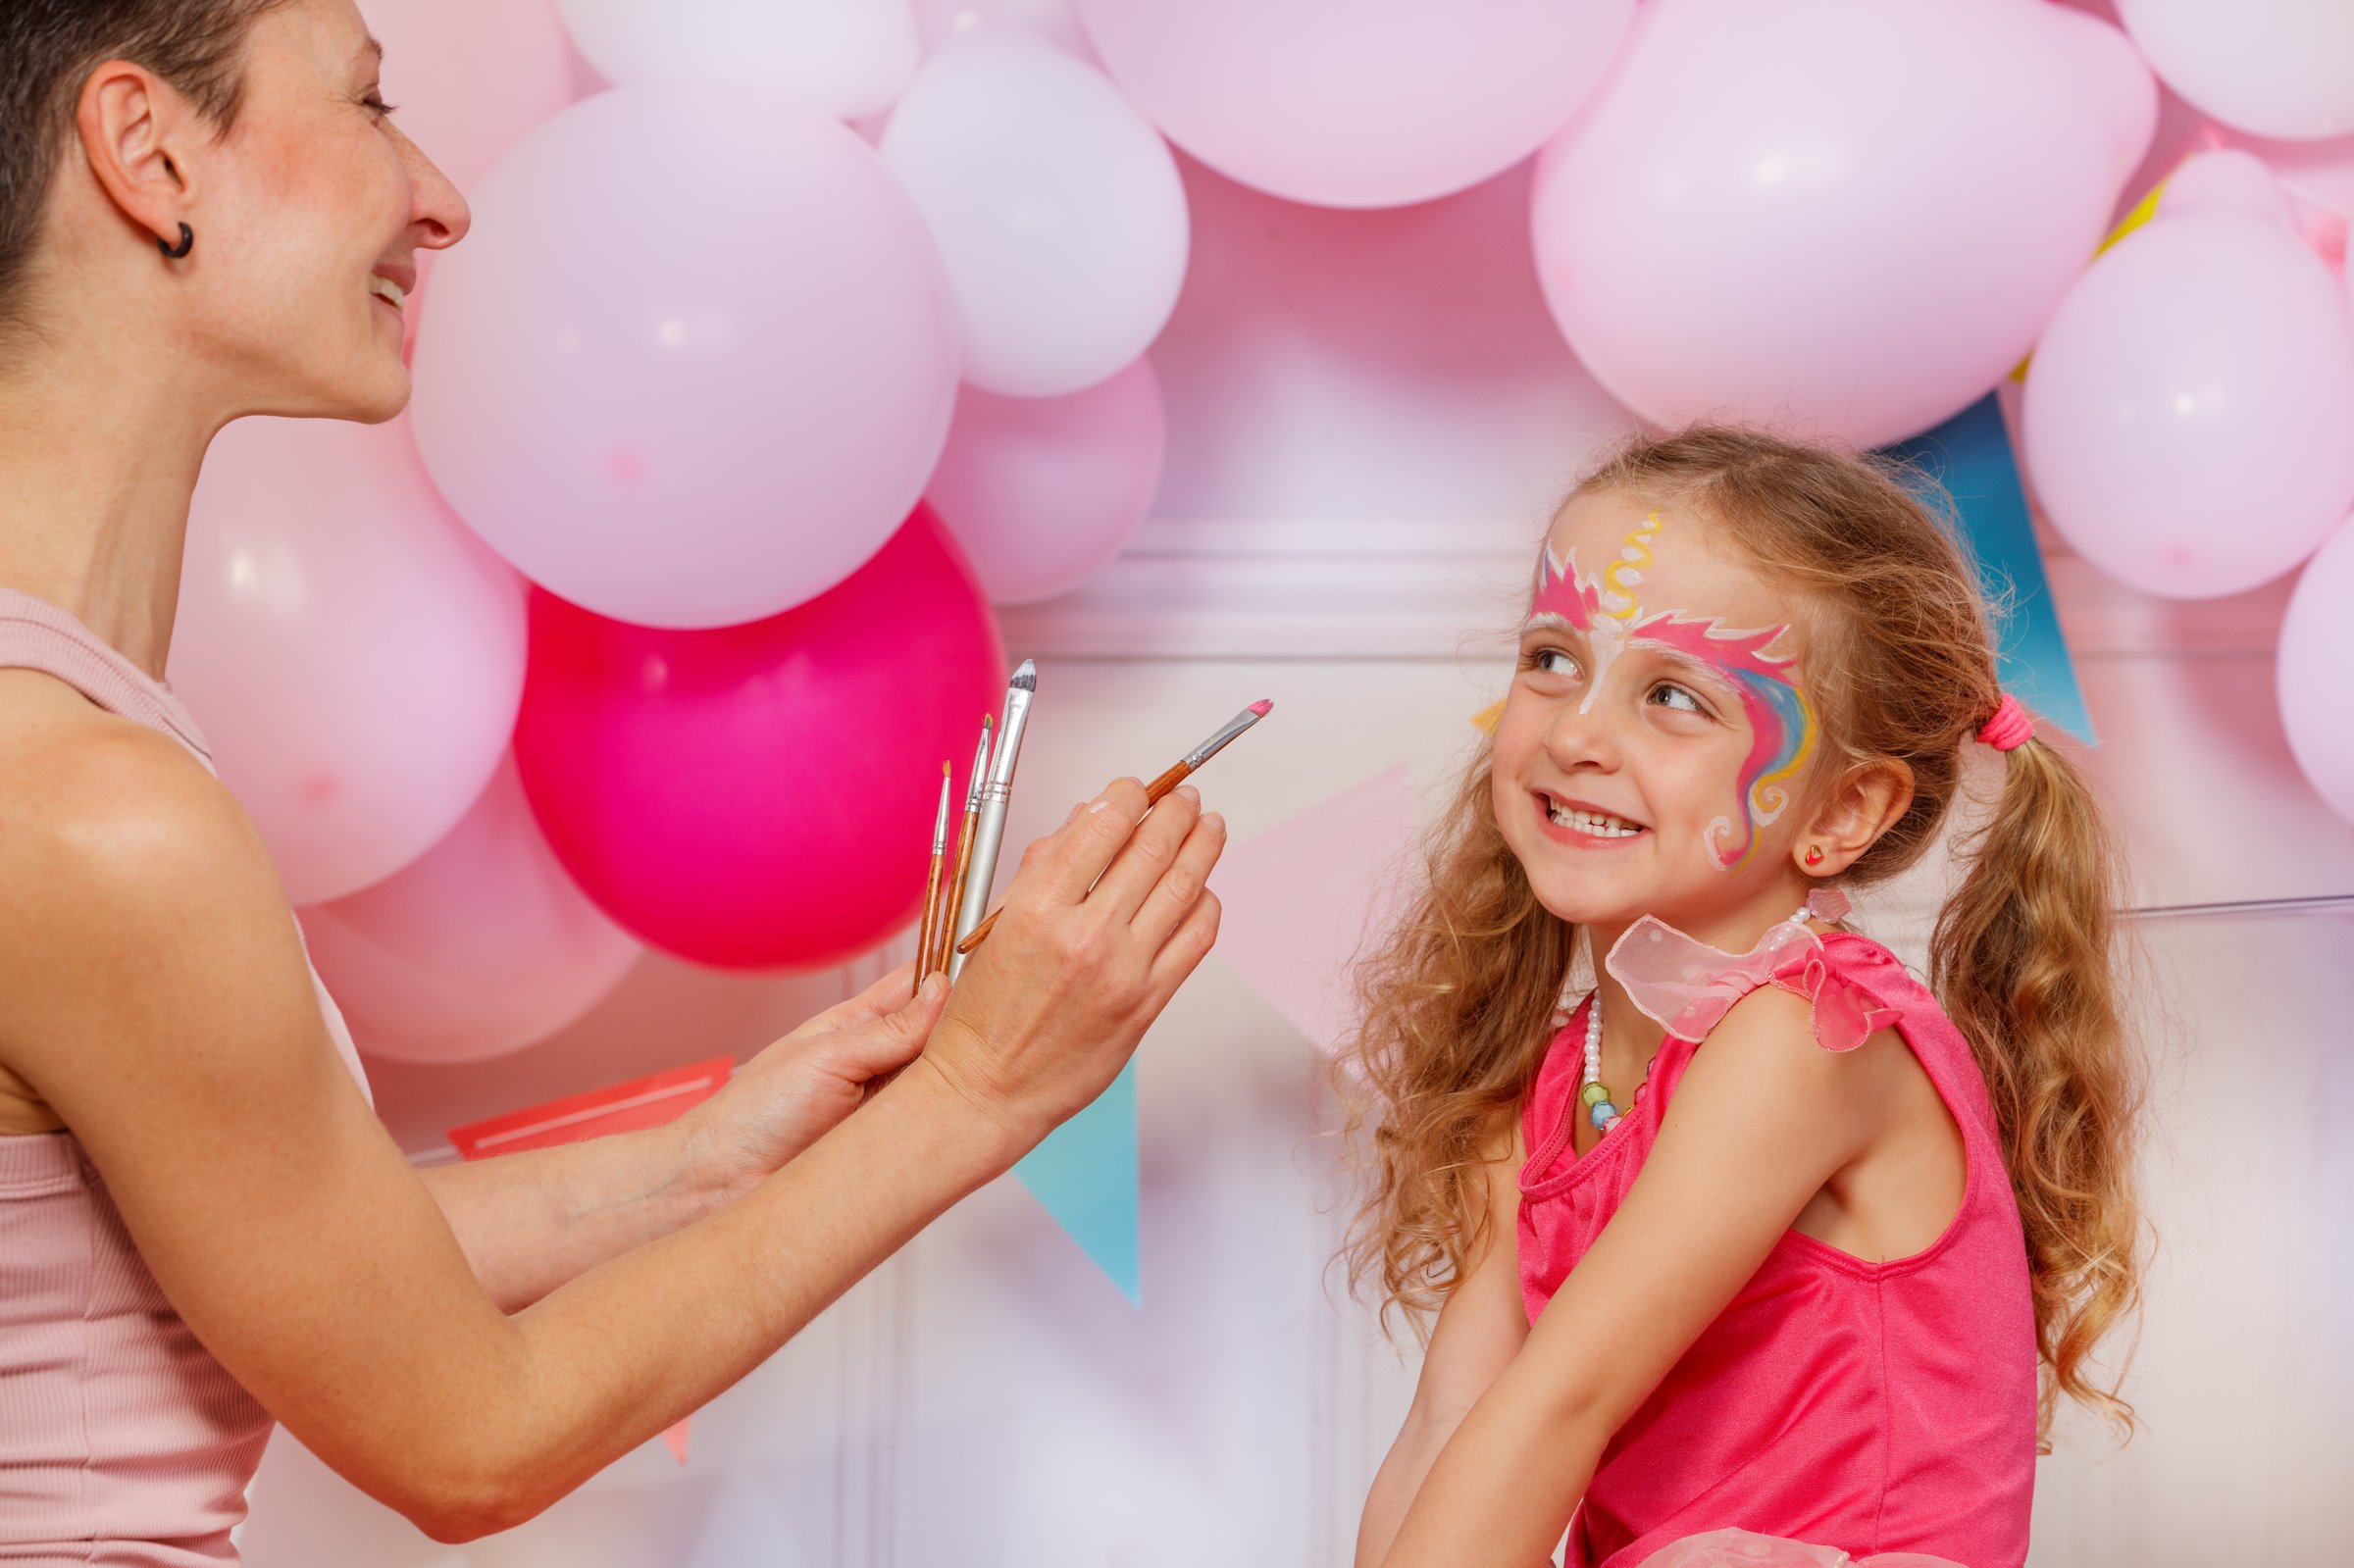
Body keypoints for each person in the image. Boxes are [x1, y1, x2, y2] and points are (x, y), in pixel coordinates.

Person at [0, 1, 1226, 1560]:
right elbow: (471, 1440)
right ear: (146, 150)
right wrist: (982, 1097)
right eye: (369, 105)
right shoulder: (93, 815)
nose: (440, 197)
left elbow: (251, 1248)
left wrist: (715, 1153)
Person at [1344, 427, 2144, 1568]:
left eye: (1672, 695)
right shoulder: (1557, 1077)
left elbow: (1565, 1403)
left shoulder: (1809, 1035)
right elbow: (1454, 1423)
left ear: (1841, 815)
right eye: (1554, 660)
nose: (1576, 733)